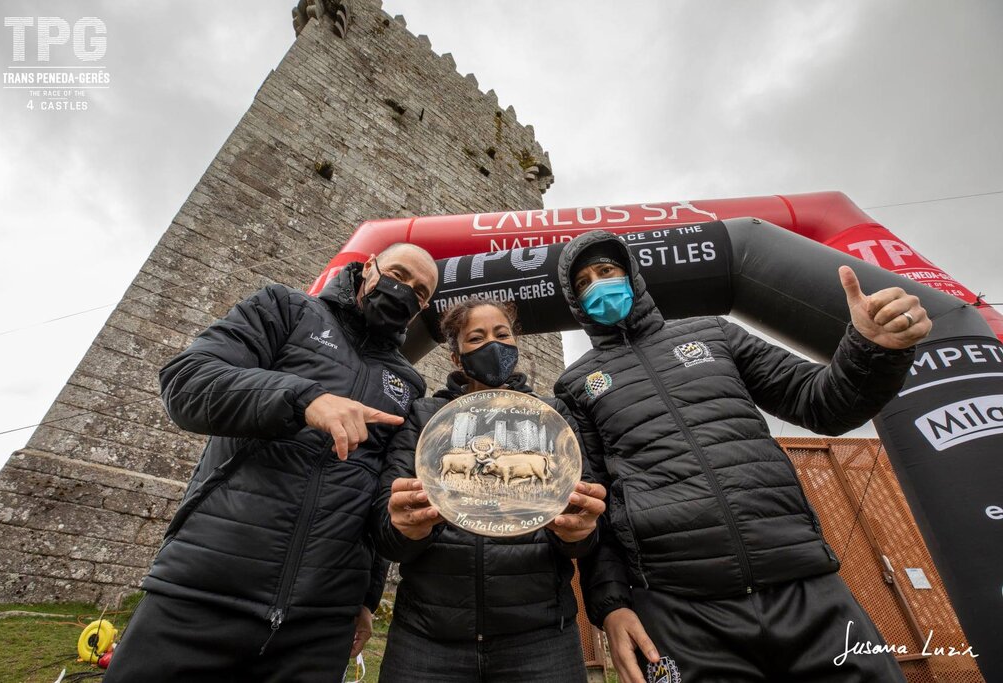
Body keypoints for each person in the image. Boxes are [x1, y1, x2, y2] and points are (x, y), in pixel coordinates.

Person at [553, 230, 930, 683]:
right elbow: (594, 506)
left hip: (803, 583)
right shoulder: (575, 386)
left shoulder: (714, 332)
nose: (597, 284)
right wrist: (612, 607)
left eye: (606, 271)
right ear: (575, 303)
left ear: (631, 275)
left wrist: (871, 347)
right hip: (679, 607)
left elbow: (819, 402)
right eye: (582, 283)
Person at [103, 244, 439, 683]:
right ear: (368, 268)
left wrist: (367, 598)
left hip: (318, 628)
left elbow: (381, 494)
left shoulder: (408, 383)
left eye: (420, 291)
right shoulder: (285, 308)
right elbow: (186, 381)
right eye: (397, 273)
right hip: (203, 594)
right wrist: (303, 399)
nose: (405, 291)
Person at [371, 298, 608, 683]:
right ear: (456, 357)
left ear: (515, 344)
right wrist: (403, 528)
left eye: (502, 334)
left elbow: (586, 532)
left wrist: (580, 533)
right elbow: (387, 534)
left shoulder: (554, 418)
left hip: (540, 638)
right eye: (476, 337)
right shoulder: (425, 418)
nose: (492, 345)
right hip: (429, 638)